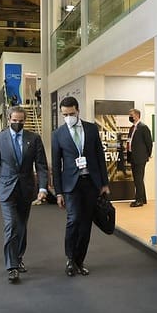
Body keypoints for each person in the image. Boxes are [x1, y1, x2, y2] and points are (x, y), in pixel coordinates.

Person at [0, 106, 49, 282]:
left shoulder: (34, 138)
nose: (17, 123)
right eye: (14, 121)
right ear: (9, 119)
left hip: (26, 188)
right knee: (11, 225)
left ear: (24, 120)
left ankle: (19, 257)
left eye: (21, 121)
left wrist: (43, 188)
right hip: (5, 188)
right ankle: (12, 266)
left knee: (22, 226)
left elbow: (42, 165)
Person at [51, 96, 110, 277]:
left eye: (71, 113)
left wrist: (104, 183)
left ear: (78, 111)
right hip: (71, 185)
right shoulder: (58, 134)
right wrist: (58, 192)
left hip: (91, 183)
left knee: (86, 225)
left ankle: (79, 260)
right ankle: (70, 259)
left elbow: (100, 156)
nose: (68, 117)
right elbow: (56, 164)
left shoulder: (91, 129)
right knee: (73, 219)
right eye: (65, 114)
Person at [127, 108, 153, 207]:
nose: (130, 116)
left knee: (138, 179)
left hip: (140, 158)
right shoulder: (132, 128)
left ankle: (139, 200)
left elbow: (149, 143)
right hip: (133, 157)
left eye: (131, 114)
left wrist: (147, 155)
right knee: (138, 179)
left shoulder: (143, 127)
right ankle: (143, 198)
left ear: (137, 115)